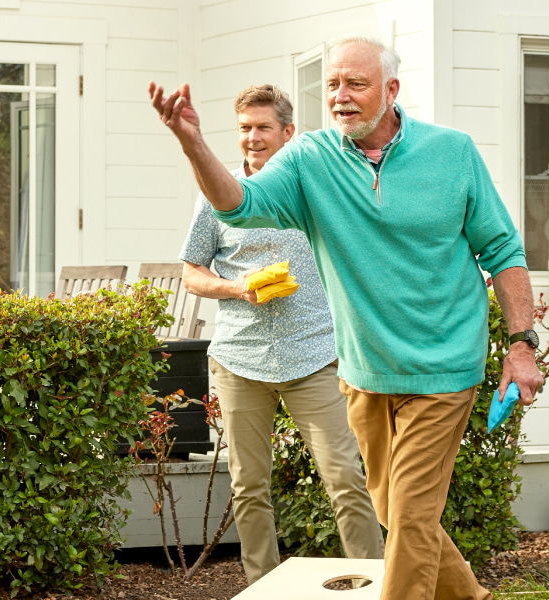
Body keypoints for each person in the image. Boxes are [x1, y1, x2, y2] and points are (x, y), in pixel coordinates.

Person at [150, 34, 543, 600]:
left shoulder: (452, 153)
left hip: (442, 368)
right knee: (396, 509)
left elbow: (503, 250)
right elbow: (238, 205)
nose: (340, 96)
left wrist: (521, 343)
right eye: (332, 84)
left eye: (355, 84)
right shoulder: (310, 159)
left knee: (407, 519)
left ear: (391, 91)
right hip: (363, 373)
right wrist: (193, 145)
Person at [177, 84, 384, 585]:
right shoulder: (217, 191)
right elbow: (190, 272)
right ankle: (262, 586)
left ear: (288, 133)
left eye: (263, 127)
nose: (252, 138)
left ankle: (376, 586)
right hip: (239, 359)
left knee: (346, 479)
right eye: (245, 128)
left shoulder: (314, 188)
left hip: (313, 355)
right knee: (249, 486)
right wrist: (236, 285)